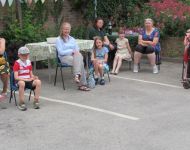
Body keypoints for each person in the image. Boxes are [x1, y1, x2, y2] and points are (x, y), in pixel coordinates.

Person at [56, 22, 90, 91]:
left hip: (74, 57)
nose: (67, 31)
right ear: (62, 30)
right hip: (64, 58)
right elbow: (60, 52)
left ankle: (77, 76)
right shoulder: (58, 40)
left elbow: (77, 50)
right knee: (80, 62)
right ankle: (82, 84)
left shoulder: (72, 39)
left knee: (79, 56)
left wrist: (75, 52)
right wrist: (71, 51)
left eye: (68, 29)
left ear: (70, 30)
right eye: (65, 29)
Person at [13, 47, 41, 111]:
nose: (25, 56)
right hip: (20, 81)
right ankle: (21, 102)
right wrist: (26, 80)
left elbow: (31, 74)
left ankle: (36, 101)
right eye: (23, 55)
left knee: (38, 81)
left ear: (28, 55)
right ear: (19, 55)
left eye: (26, 55)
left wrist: (34, 77)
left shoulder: (29, 62)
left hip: (28, 80)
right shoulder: (17, 63)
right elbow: (16, 77)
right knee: (22, 83)